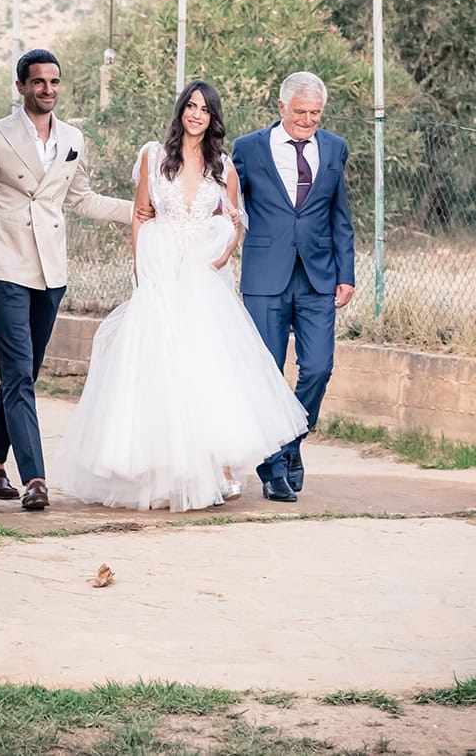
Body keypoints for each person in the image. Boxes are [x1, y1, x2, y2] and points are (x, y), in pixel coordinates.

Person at [59, 80, 308, 512]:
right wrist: (141, 270)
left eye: (204, 109)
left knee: (205, 370)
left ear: (213, 119)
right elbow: (140, 216)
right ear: (181, 111)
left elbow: (234, 219)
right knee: (159, 368)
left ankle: (215, 469)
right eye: (190, 106)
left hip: (201, 278)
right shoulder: (153, 155)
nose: (196, 114)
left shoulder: (223, 166)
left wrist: (222, 253)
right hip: (160, 272)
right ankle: (162, 470)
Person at [0, 48, 135, 511]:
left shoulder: (73, 138)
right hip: (5, 268)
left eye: (54, 82)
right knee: (17, 374)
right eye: (38, 82)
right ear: (21, 87)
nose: (47, 89)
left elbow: (83, 199)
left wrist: (139, 212)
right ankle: (35, 478)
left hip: (51, 272)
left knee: (24, 373)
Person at [232, 71, 355, 503]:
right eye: (300, 112)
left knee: (319, 367)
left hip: (319, 275)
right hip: (265, 275)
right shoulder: (247, 149)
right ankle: (272, 468)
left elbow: (340, 215)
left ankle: (290, 443)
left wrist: (347, 273)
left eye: (316, 114)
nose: (308, 121)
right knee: (266, 371)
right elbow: (227, 207)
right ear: (281, 107)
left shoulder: (336, 148)